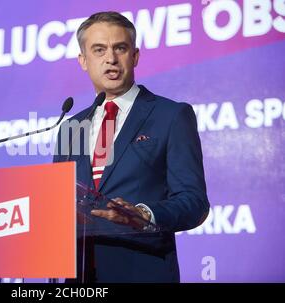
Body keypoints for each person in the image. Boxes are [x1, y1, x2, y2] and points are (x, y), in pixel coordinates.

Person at [53, 11, 210, 282]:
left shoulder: (170, 116)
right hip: (77, 277)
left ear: (135, 56)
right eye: (99, 50)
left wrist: (144, 215)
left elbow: (195, 203)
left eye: (120, 48)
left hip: (142, 271)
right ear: (83, 60)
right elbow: (59, 205)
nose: (111, 59)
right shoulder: (71, 126)